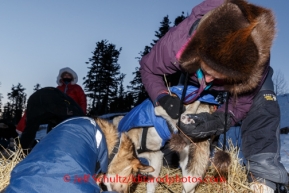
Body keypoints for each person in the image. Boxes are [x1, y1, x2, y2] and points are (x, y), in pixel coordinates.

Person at [139, 0, 288, 192]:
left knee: (263, 101)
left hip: (242, 84)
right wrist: (162, 97)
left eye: (216, 75)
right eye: (207, 70)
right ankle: (173, 160)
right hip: (190, 75)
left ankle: (263, 176)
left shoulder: (255, 64)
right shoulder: (177, 42)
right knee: (178, 112)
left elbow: (242, 104)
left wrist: (220, 119)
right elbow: (149, 69)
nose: (208, 80)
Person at [17, 87, 85, 149]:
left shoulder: (73, 91)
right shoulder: (78, 115)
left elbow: (28, 119)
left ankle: (24, 149)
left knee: (34, 125)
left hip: (35, 98)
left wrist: (20, 127)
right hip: (54, 101)